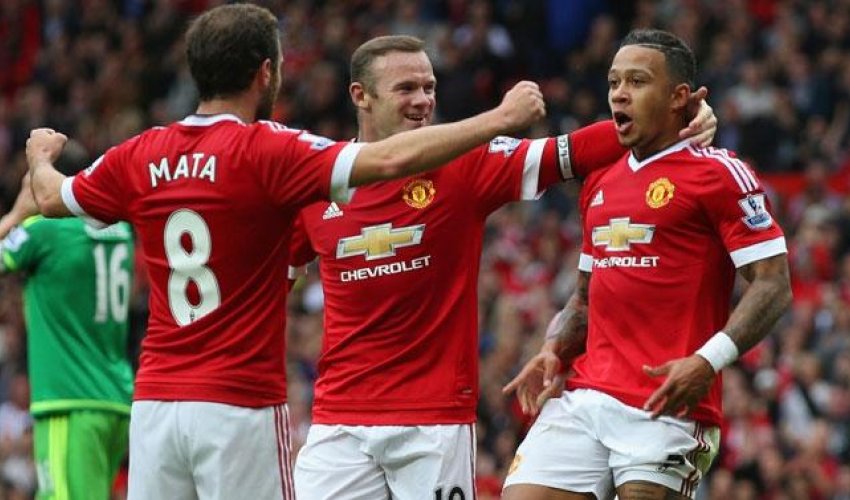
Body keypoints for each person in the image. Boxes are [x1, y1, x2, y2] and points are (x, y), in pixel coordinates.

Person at [22, 4, 546, 500]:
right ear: (265, 72)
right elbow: (385, 161)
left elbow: (49, 197)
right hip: (238, 400)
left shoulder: (139, 152)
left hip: (156, 401)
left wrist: (41, 156)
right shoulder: (269, 150)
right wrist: (499, 119)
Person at [287, 35, 717, 500]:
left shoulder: (464, 164)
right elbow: (271, 286)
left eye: (429, 87)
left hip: (432, 424)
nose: (423, 100)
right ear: (360, 95)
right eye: (406, 88)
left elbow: (575, 150)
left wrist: (674, 118)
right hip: (338, 422)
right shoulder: (319, 181)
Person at [502, 29, 792, 500]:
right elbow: (584, 298)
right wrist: (554, 345)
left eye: (637, 81)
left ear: (679, 97)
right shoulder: (600, 178)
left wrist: (708, 362)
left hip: (667, 404)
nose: (619, 92)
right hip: (585, 396)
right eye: (614, 81)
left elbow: (774, 284)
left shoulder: (719, 173)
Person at [0, 147, 134, 500]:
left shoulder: (46, 230)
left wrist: (16, 214)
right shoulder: (120, 228)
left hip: (69, 401)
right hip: (116, 399)